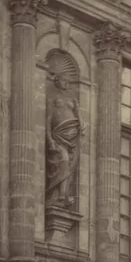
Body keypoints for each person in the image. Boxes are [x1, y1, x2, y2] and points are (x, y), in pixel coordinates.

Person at [46, 75, 81, 207]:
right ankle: (58, 195)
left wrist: (78, 111)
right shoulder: (52, 99)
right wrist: (49, 139)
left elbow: (80, 120)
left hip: (72, 137)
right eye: (64, 80)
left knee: (70, 164)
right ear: (57, 81)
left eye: (68, 81)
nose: (67, 82)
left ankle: (63, 194)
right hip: (58, 136)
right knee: (64, 160)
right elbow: (48, 120)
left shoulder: (72, 100)